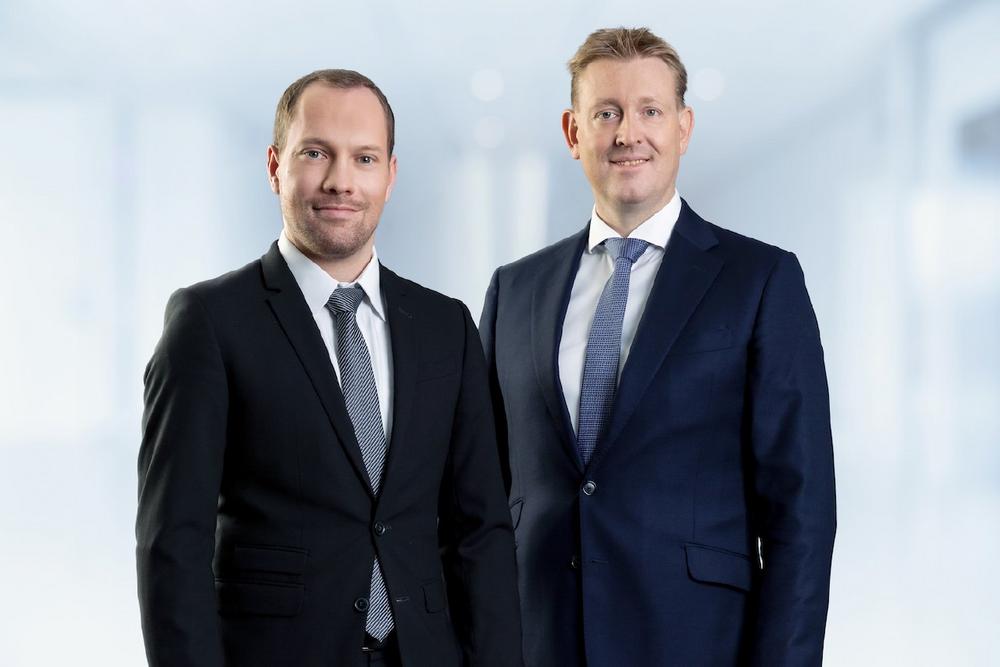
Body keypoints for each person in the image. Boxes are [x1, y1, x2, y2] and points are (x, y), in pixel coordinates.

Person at [137, 69, 522, 667]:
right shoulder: (209, 322)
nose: (341, 181)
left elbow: (480, 531)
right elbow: (172, 543)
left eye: (364, 158)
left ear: (390, 175)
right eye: (316, 153)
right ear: (275, 166)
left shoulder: (446, 326)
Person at [480, 27, 836, 666]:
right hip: (539, 640)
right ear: (573, 132)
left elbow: (801, 512)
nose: (628, 133)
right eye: (606, 113)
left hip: (695, 641)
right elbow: (477, 493)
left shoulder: (759, 281)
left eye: (650, 111)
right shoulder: (515, 290)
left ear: (683, 128)